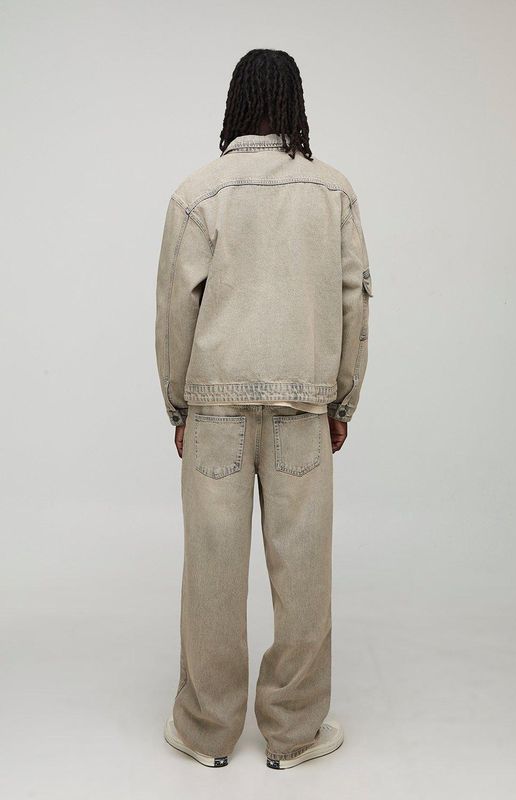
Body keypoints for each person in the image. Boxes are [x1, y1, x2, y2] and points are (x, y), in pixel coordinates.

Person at [155, 48, 373, 769]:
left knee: (211, 575)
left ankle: (206, 732)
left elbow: (174, 315)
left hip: (214, 412)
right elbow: (354, 302)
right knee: (303, 576)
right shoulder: (332, 191)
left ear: (236, 103)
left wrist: (179, 407)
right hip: (302, 410)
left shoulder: (198, 193)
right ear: (294, 105)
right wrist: (342, 398)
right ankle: (293, 734)